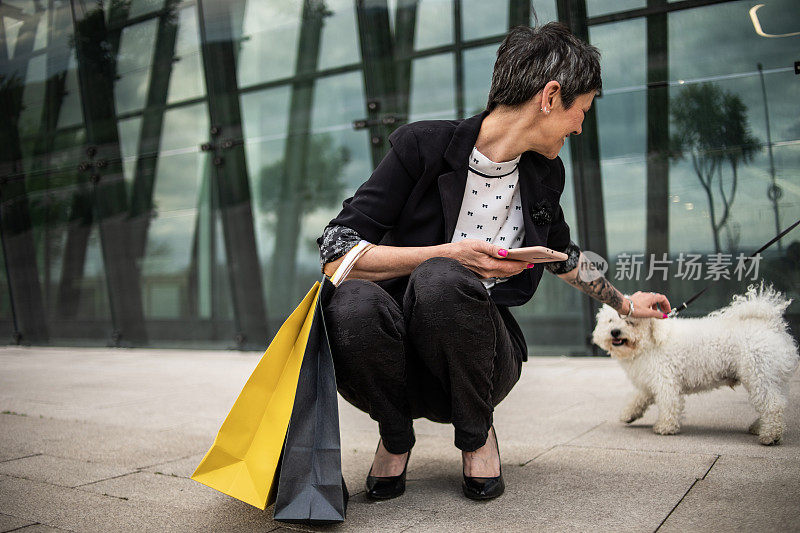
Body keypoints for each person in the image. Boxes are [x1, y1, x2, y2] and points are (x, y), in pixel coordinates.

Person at [317, 23, 671, 501]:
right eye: (581, 111)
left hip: (480, 362)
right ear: (551, 97)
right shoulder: (420, 147)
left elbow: (563, 256)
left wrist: (625, 305)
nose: (579, 127)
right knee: (361, 297)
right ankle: (395, 435)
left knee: (445, 281)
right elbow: (337, 250)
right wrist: (448, 251)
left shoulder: (544, 173)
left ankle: (476, 432)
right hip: (392, 362)